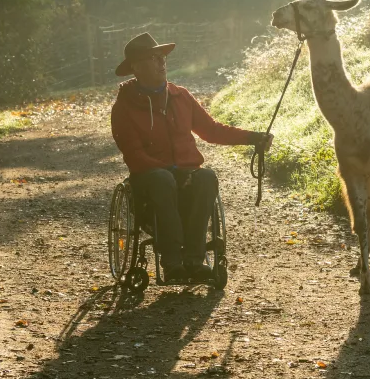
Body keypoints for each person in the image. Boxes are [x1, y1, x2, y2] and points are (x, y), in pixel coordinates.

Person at [110, 32, 272, 280]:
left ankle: (195, 261)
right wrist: (171, 171)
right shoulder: (124, 106)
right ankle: (173, 262)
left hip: (186, 174)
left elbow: (212, 130)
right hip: (149, 180)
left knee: (207, 177)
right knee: (163, 180)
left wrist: (253, 138)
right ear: (136, 67)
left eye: (162, 57)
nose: (162, 62)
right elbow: (134, 155)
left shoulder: (180, 96)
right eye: (154, 58)